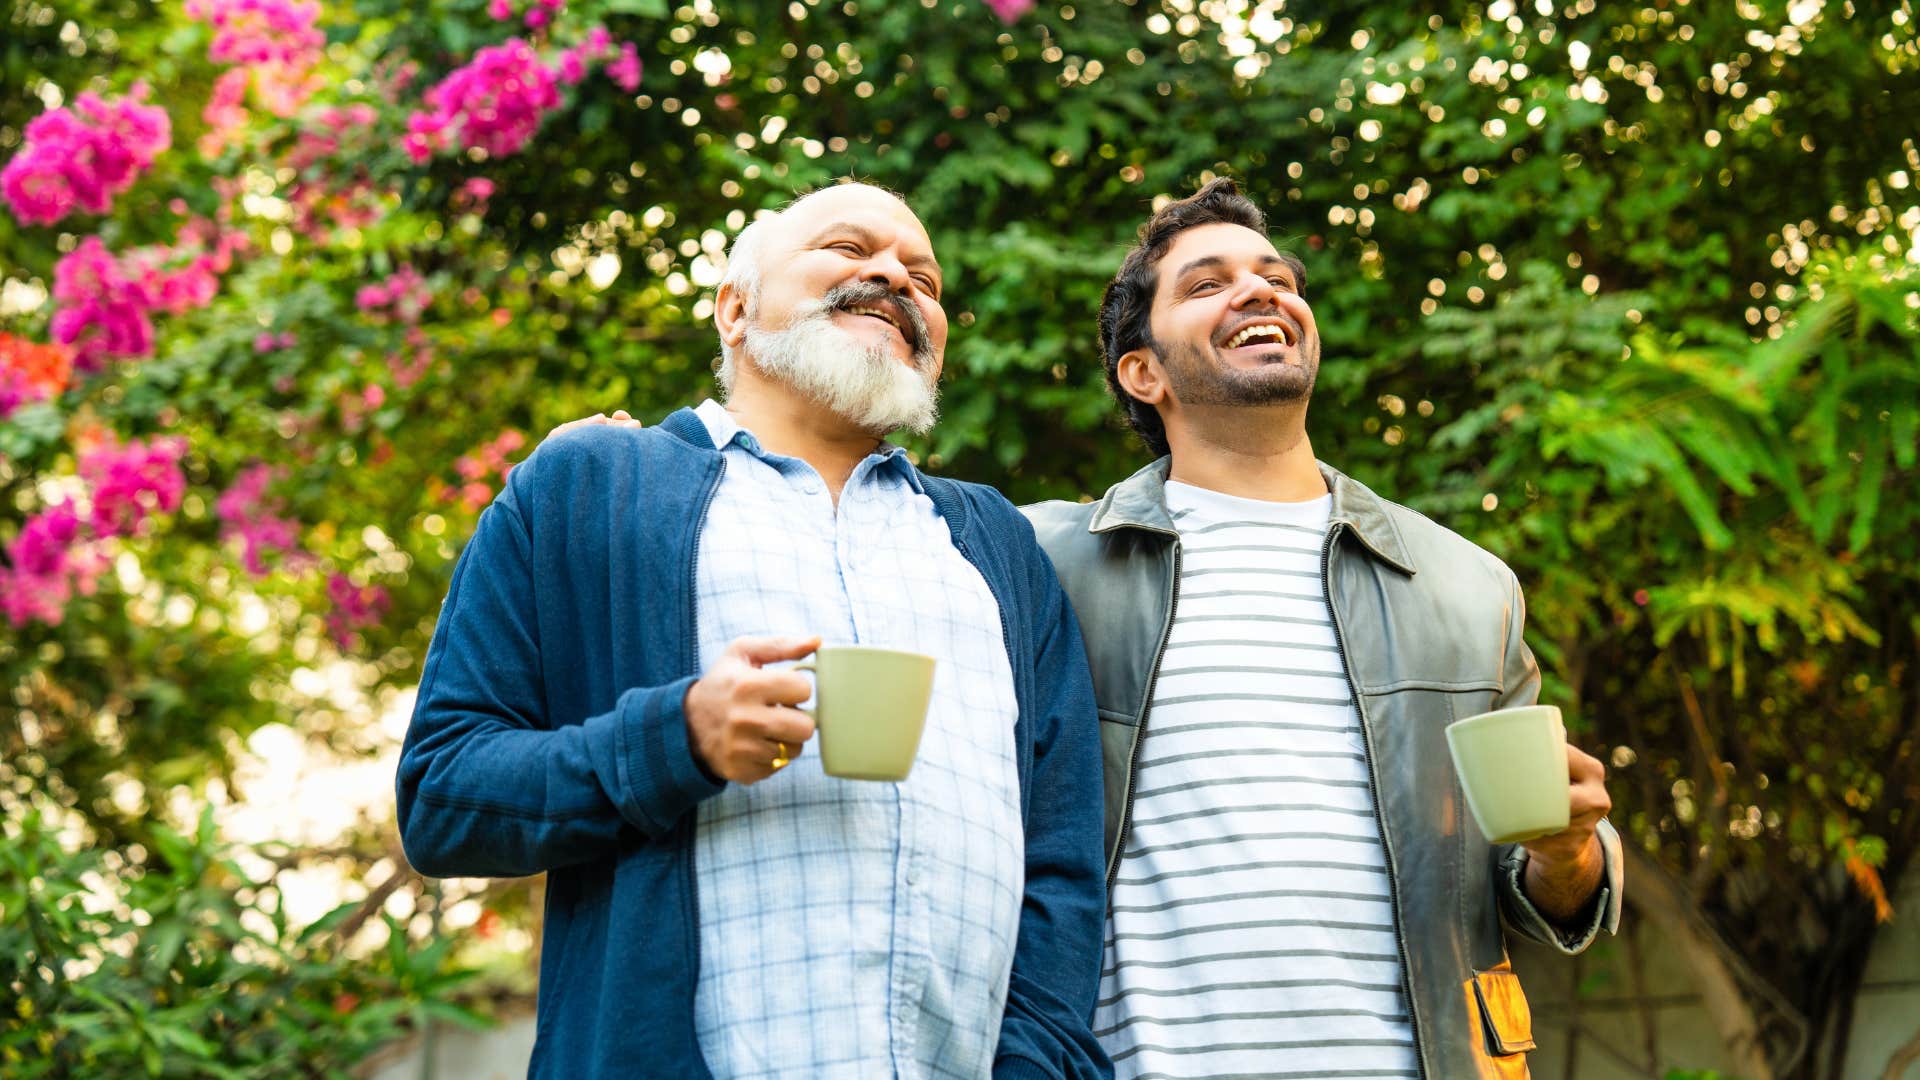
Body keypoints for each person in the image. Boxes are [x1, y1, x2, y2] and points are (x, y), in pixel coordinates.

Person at [397, 182, 1110, 1079]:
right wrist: (676, 738)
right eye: (850, 250)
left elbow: (1062, 860)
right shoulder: (590, 484)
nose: (894, 276)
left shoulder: (995, 542)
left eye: (923, 280)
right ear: (736, 310)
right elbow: (442, 798)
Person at [1022, 178, 1623, 1079]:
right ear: (1142, 373)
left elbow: (1540, 892)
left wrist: (1567, 845)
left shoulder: (1464, 586)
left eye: (1277, 277)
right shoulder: (1043, 566)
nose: (1261, 291)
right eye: (1206, 284)